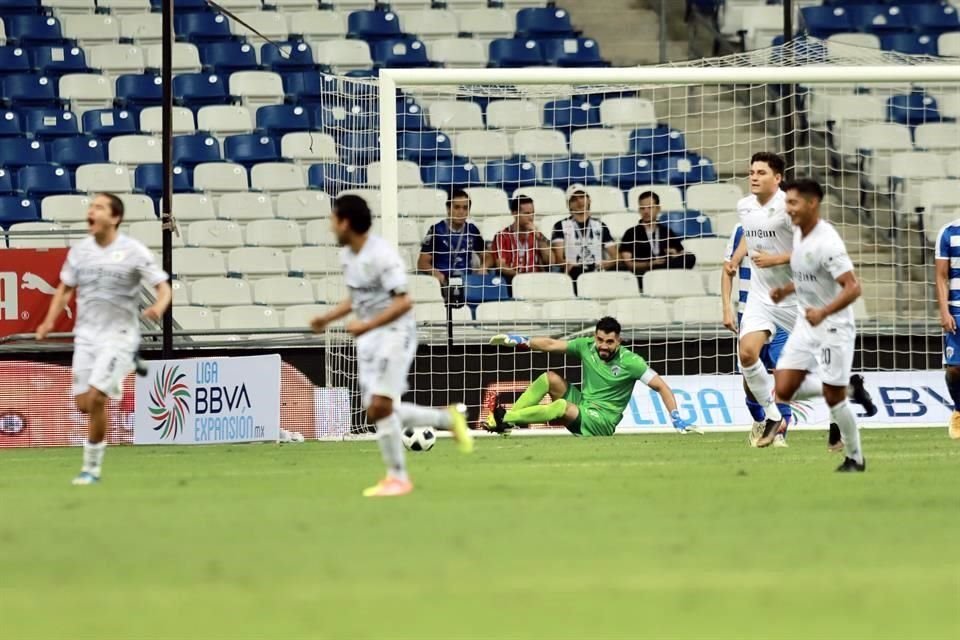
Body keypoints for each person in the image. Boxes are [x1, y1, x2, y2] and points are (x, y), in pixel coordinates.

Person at [311, 195, 473, 498]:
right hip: (370, 338)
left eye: (333, 219)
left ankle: (398, 477)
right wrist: (326, 318)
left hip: (396, 334)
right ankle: (446, 419)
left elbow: (404, 301)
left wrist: (366, 325)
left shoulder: (382, 255)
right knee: (375, 408)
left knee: (381, 406)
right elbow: (357, 299)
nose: (331, 225)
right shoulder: (348, 256)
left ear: (345, 222)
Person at [35, 193, 172, 485]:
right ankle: (127, 365)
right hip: (86, 337)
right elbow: (64, 289)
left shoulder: (133, 251)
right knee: (84, 404)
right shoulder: (80, 252)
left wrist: (159, 306)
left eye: (98, 207)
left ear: (114, 217)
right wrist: (47, 321)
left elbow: (162, 286)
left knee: (98, 398)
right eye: (90, 207)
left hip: (119, 335)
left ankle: (91, 469)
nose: (91, 211)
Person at [767, 178, 869, 472]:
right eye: (787, 202)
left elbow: (853, 288)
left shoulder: (828, 242)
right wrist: (786, 290)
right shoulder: (800, 233)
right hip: (807, 321)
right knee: (784, 388)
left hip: (833, 326)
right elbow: (807, 274)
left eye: (793, 202)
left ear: (812, 204)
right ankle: (849, 389)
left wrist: (824, 312)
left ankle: (855, 458)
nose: (788, 209)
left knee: (834, 402)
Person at [485, 316, 700, 437]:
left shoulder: (632, 362)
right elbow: (551, 344)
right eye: (600, 340)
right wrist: (521, 340)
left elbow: (662, 387)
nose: (603, 346)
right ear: (595, 337)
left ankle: (504, 419)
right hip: (584, 405)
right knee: (549, 378)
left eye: (609, 342)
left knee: (561, 406)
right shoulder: (587, 346)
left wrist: (676, 419)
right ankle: (507, 422)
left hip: (601, 421)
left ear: (619, 341)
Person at [721, 222, 793, 448]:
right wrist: (726, 308)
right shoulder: (741, 229)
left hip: (781, 311)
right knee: (749, 371)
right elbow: (728, 269)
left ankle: (780, 430)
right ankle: (760, 420)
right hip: (748, 312)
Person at [417, 188, 486, 300]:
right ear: (448, 209)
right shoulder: (437, 230)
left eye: (465, 208)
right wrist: (435, 273)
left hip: (467, 282)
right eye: (457, 207)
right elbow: (422, 263)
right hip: (443, 282)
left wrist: (484, 266)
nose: (461, 212)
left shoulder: (472, 230)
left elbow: (487, 256)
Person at [620, 190, 696, 290]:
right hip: (645, 273)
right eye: (642, 208)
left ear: (658, 209)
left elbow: (681, 253)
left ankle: (661, 270)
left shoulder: (666, 232)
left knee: (690, 257)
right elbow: (628, 263)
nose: (646, 211)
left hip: (667, 272)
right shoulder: (631, 233)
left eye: (650, 207)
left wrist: (674, 254)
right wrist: (649, 264)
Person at [551, 185, 617, 281]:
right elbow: (558, 258)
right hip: (573, 274)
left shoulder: (600, 225)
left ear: (589, 200)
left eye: (582, 197)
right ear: (568, 204)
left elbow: (616, 256)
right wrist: (568, 265)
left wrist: (605, 264)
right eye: (574, 199)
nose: (579, 201)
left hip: (597, 274)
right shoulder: (560, 226)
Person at [934, 216, 960, 439]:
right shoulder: (948, 232)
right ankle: (959, 410)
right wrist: (944, 311)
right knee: (954, 368)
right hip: (957, 310)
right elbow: (941, 276)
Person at [487, 195, 552, 282]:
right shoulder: (502, 236)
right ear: (514, 213)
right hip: (513, 280)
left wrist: (540, 239)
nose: (531, 217)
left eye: (532, 213)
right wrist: (521, 278)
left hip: (537, 280)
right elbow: (501, 265)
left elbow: (551, 261)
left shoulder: (537, 235)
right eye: (527, 213)